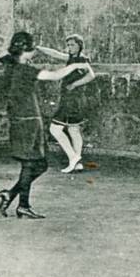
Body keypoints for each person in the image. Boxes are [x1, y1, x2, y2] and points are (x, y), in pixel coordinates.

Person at [0, 32, 89, 219]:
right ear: (26, 50)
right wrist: (76, 65)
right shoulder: (24, 69)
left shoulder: (12, 67)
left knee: (34, 165)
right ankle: (21, 203)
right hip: (29, 122)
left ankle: (15, 197)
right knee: (36, 164)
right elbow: (55, 76)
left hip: (21, 120)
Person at [37, 35, 96, 173]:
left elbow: (91, 75)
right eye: (68, 45)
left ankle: (73, 158)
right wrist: (39, 48)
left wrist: (74, 84)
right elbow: (56, 54)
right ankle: (78, 162)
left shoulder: (81, 59)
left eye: (72, 45)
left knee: (55, 129)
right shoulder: (72, 58)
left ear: (80, 45)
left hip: (72, 100)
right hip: (73, 99)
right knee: (73, 130)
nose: (69, 48)